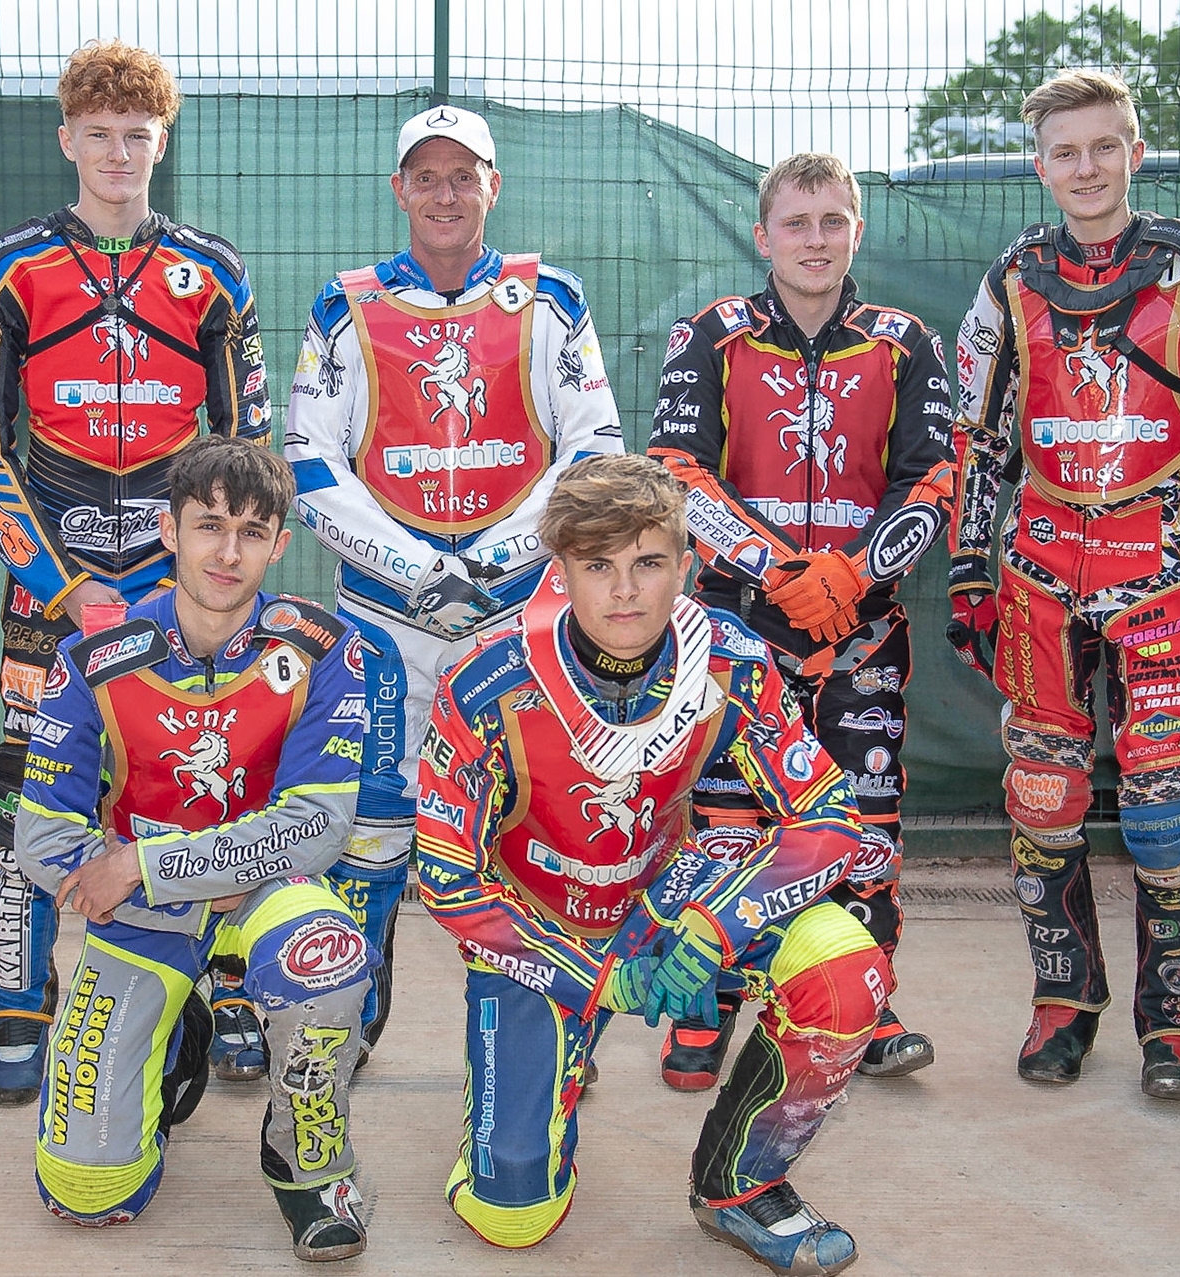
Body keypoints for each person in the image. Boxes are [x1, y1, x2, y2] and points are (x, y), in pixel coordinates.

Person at [417, 454, 889, 1275]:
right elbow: (449, 879)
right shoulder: (484, 678)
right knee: (514, 1216)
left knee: (847, 966)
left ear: (687, 565)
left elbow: (830, 814)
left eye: (648, 563)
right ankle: (532, 1082)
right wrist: (595, 984)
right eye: (598, 565)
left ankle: (740, 1187)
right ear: (559, 569)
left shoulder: (728, 660)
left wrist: (716, 922)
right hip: (538, 938)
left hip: (662, 908)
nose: (625, 590)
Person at [945, 70, 1180, 1100]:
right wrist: (970, 568)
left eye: (1105, 146)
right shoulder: (1012, 276)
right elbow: (973, 431)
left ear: (1136, 151)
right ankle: (1063, 1004)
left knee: (1161, 810)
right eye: (1067, 151)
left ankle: (1179, 1019)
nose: (1087, 167)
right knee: (1044, 796)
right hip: (1039, 574)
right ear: (1039, 164)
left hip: (1161, 571)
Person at [0, 40, 274, 1103]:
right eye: (99, 134)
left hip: (190, 588)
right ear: (68, 141)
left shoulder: (216, 270)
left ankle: (227, 987)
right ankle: (14, 1008)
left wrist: (210, 570)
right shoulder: (7, 271)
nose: (119, 152)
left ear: (160, 143)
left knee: (211, 773)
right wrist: (62, 584)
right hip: (57, 586)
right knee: (30, 790)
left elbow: (247, 446)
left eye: (137, 135)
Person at [284, 104, 624, 1059]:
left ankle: (552, 1035)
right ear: (399, 190)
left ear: (492, 187)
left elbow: (594, 444)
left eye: (461, 175)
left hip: (517, 616)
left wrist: (492, 561)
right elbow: (308, 463)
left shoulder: (549, 296)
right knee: (373, 829)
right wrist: (423, 569)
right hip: (387, 624)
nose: (443, 192)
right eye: (424, 176)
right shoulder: (343, 303)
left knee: (535, 823)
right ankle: (339, 1028)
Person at [13, 436, 373, 1261]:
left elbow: (319, 826)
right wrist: (164, 886)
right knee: (85, 1189)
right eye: (209, 525)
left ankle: (307, 1163)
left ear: (280, 545)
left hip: (252, 891)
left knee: (324, 957)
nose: (228, 550)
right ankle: (179, 1038)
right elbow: (41, 837)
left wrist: (149, 864)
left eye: (252, 531)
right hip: (149, 912)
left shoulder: (323, 650)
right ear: (169, 531)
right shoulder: (90, 657)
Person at [649, 152, 954, 1089]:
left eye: (832, 221)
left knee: (863, 814)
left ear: (856, 231)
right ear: (763, 237)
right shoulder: (708, 335)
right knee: (729, 817)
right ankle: (706, 1000)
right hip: (738, 628)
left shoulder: (906, 342)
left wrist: (855, 577)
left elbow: (933, 479)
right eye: (797, 223)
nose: (814, 240)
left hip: (864, 628)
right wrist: (783, 571)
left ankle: (865, 992)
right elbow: (676, 470)